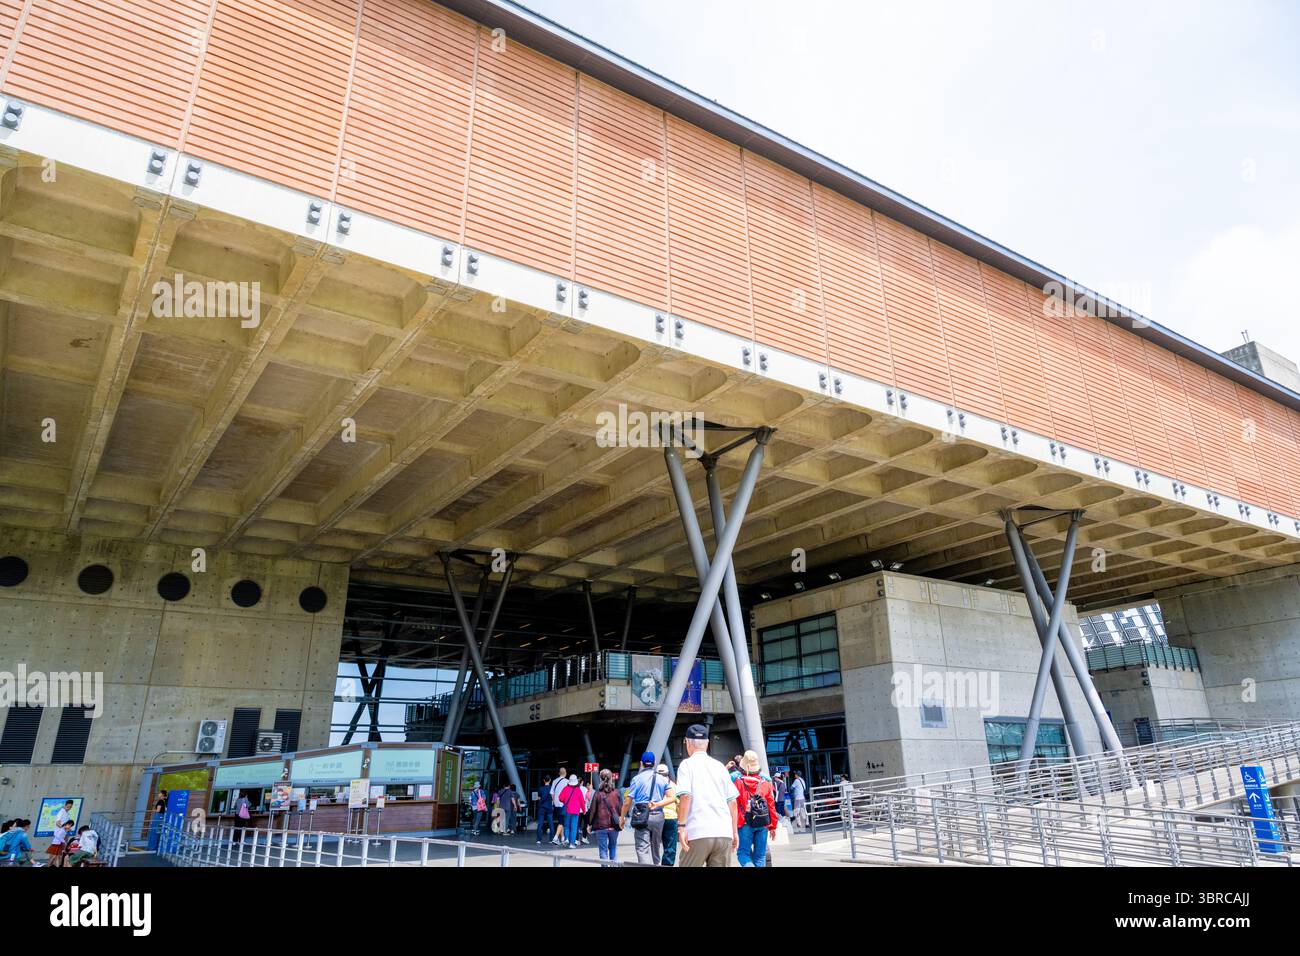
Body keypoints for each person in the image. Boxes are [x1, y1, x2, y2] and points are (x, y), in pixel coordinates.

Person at [675, 724, 738, 867]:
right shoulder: (720, 767)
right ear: (707, 743)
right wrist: (734, 832)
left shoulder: (686, 765)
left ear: (687, 742)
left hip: (698, 831)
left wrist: (682, 827)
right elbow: (732, 802)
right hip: (723, 832)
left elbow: (685, 796)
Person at [621, 750, 669, 865]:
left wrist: (622, 817)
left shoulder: (636, 779)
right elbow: (672, 797)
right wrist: (658, 804)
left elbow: (628, 801)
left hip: (642, 816)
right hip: (658, 816)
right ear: (655, 763)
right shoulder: (663, 779)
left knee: (642, 848)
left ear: (641, 763)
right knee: (655, 846)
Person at [734, 750, 778, 867]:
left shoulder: (738, 783)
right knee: (760, 856)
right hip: (762, 823)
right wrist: (773, 826)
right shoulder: (766, 784)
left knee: (743, 853)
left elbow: (734, 806)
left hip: (744, 823)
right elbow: (771, 806)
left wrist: (733, 826)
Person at [587, 769, 623, 863]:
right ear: (611, 778)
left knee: (603, 850)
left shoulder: (597, 794)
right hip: (614, 825)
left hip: (600, 825)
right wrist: (621, 820)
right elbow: (621, 809)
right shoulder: (616, 792)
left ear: (600, 779)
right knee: (613, 848)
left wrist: (589, 824)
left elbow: (592, 810)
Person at [657, 765, 680, 867]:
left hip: (656, 817)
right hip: (671, 818)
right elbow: (678, 803)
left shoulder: (654, 785)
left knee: (654, 845)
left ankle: (655, 863)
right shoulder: (674, 786)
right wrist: (679, 818)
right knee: (670, 847)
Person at [557, 774, 586, 848]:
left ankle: (566, 839)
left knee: (566, 826)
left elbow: (560, 798)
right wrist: (584, 810)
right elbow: (582, 802)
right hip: (576, 812)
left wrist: (565, 801)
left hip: (567, 810)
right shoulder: (578, 790)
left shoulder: (565, 788)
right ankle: (572, 844)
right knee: (574, 827)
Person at [550, 768, 568, 844]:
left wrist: (554, 802)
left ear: (559, 773)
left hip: (556, 804)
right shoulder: (567, 782)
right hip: (563, 804)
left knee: (561, 821)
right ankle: (556, 837)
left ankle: (563, 838)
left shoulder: (554, 781)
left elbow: (551, 793)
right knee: (561, 822)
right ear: (565, 773)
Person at [536, 774, 555, 845]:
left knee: (540, 823)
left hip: (542, 807)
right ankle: (551, 839)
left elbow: (539, 798)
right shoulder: (552, 788)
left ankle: (538, 839)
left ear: (544, 780)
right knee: (551, 823)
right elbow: (553, 798)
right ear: (550, 780)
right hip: (549, 807)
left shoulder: (540, 789)